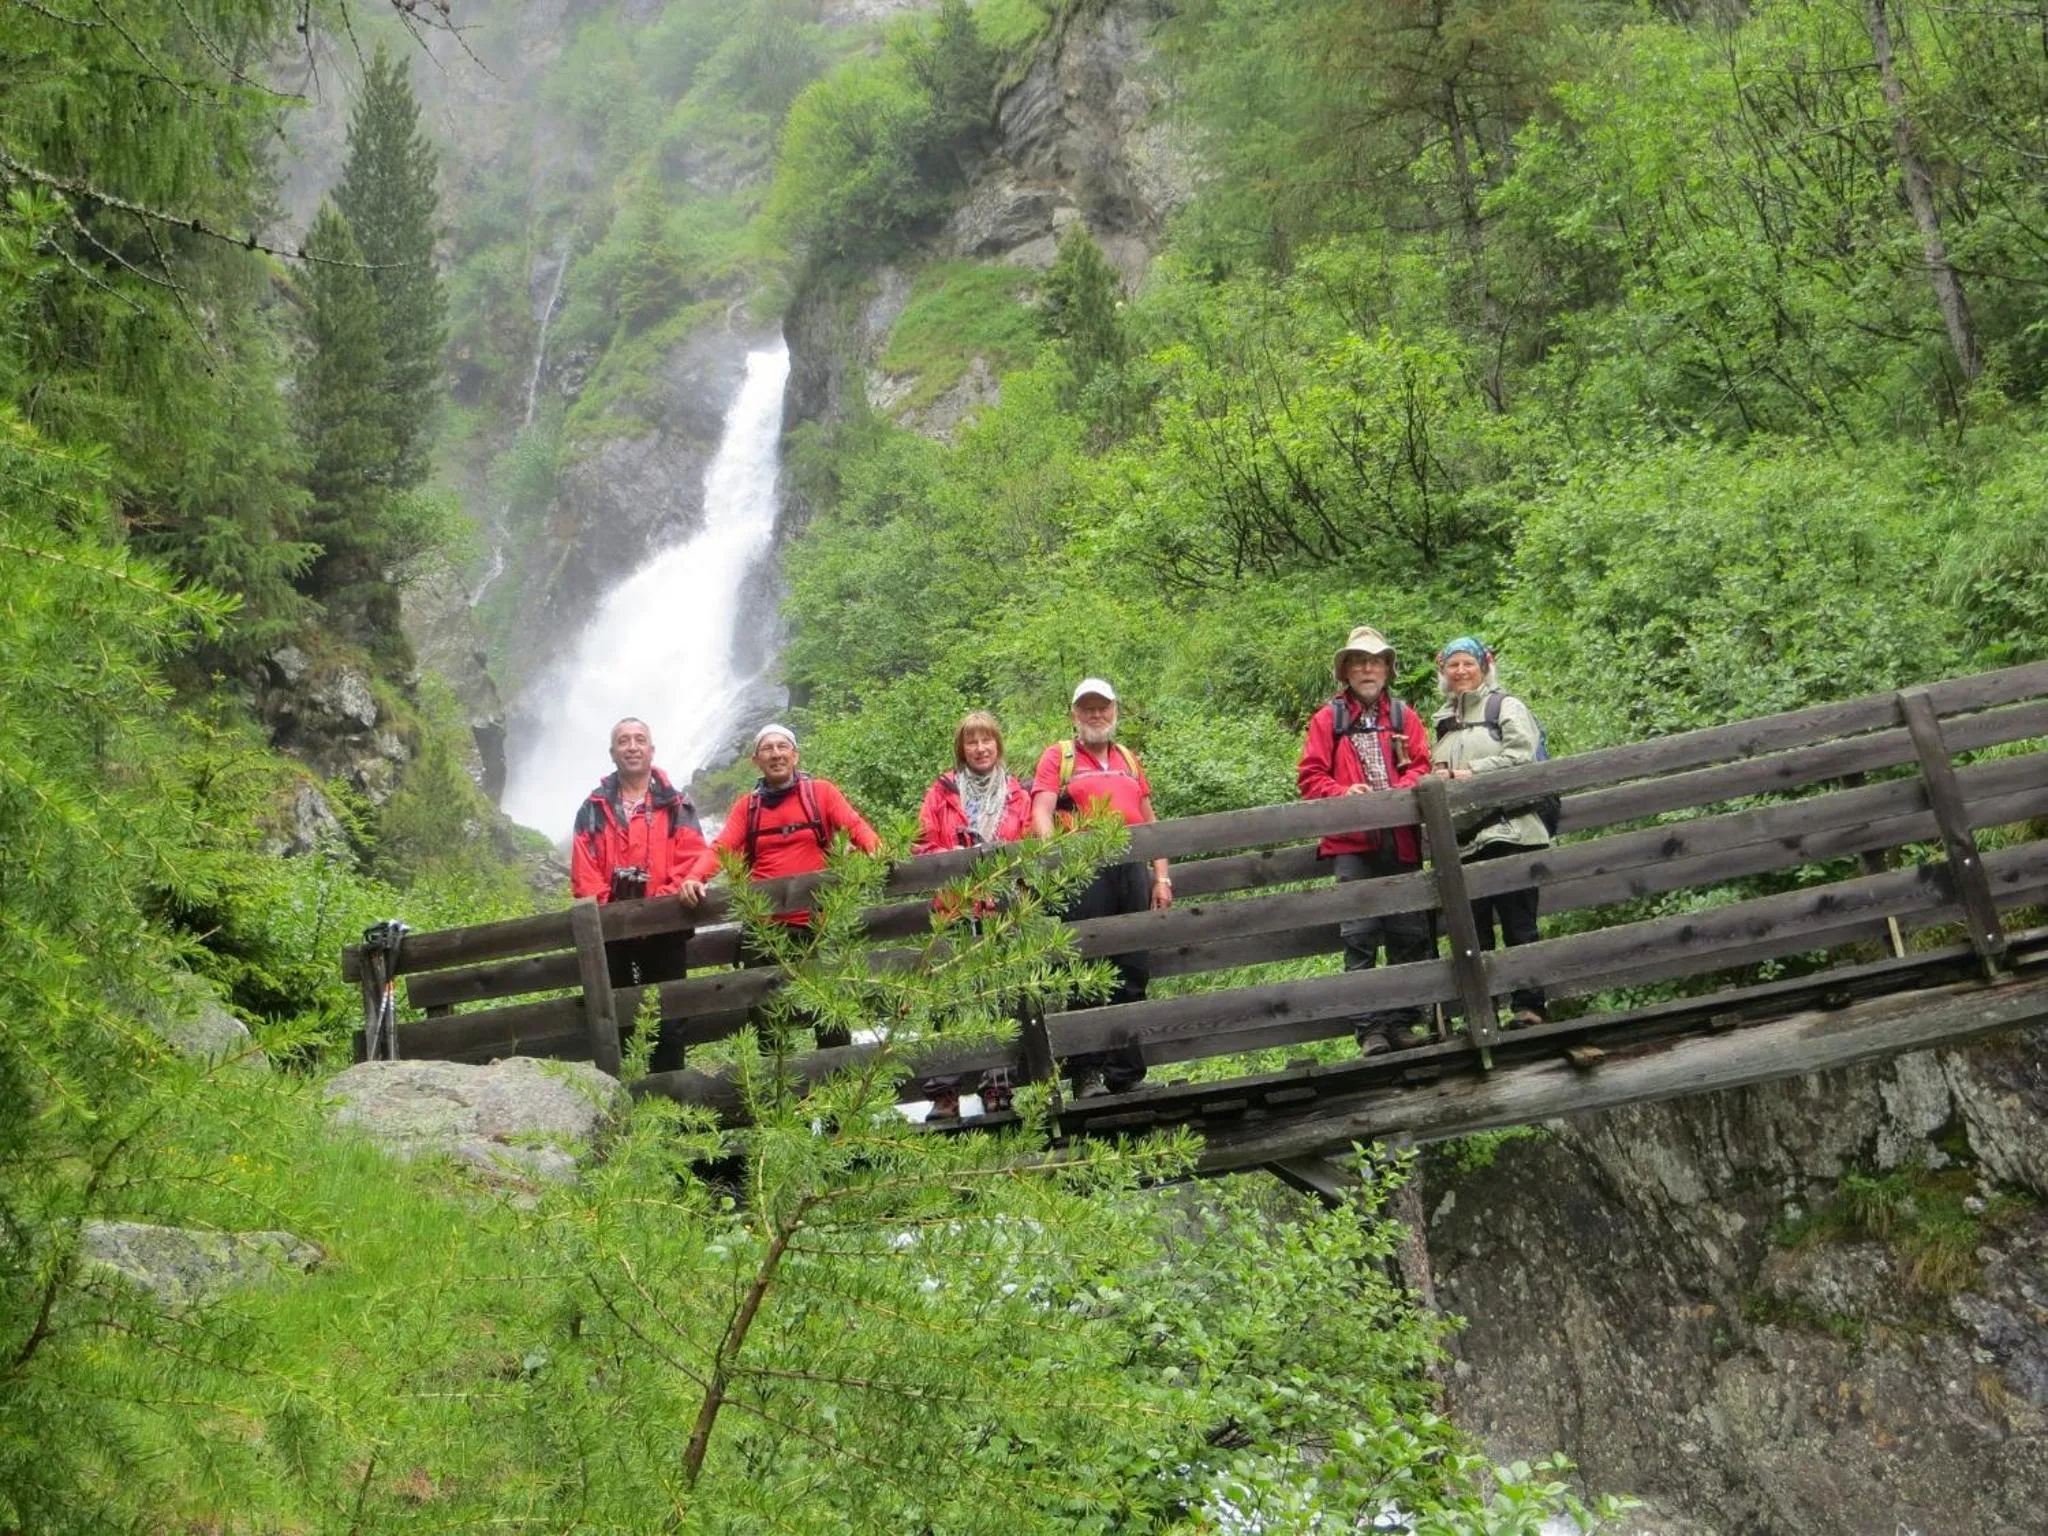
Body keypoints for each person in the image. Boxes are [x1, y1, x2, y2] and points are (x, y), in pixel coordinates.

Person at [1297, 626, 1435, 1057]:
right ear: (1346, 671)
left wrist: (1401, 790)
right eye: (1359, 662)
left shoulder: (1404, 716)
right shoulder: (1328, 719)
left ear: (1387, 669)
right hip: (1352, 843)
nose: (1368, 669)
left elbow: (1423, 767)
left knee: (1408, 931)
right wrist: (1343, 794)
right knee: (1358, 935)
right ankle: (1370, 1030)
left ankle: (1402, 1023)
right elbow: (1310, 777)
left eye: (1375, 662)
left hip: (1401, 838)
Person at [1030, 678, 1171, 1098]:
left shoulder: (1128, 758)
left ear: (1114, 711)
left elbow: (1150, 820)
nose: (1096, 714)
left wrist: (1161, 876)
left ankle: (1126, 1074)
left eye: (1103, 707)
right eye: (1087, 708)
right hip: (1084, 868)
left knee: (1133, 969)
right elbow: (1041, 811)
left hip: (1131, 869)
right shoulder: (1059, 757)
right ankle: (1086, 1075)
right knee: (1085, 972)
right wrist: (1058, 862)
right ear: (1074, 714)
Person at [712, 723, 881, 1049]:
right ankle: (780, 1079)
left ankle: (838, 1074)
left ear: (795, 755)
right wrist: (693, 878)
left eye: (782, 747)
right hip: (765, 930)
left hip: (817, 924)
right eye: (767, 748)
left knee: (830, 1013)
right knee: (767, 1018)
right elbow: (721, 848)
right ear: (755, 761)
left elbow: (856, 826)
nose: (776, 754)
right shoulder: (747, 807)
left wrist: (876, 849)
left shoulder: (821, 793)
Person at [569, 717, 718, 1070]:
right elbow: (584, 872)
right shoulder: (592, 809)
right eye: (624, 741)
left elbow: (692, 858)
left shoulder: (677, 804)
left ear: (652, 750)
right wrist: (613, 910)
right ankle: (622, 1093)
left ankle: (670, 1092)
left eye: (639, 740)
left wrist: (655, 908)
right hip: (611, 931)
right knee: (615, 1015)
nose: (632, 746)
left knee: (669, 1017)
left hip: (666, 928)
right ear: (612, 752)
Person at [912, 710, 1034, 1122]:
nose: (980, 748)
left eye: (987, 740)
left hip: (1001, 909)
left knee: (999, 995)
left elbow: (1029, 846)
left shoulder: (1017, 793)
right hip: (955, 907)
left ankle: (997, 1084)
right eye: (971, 742)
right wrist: (955, 861)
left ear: (998, 744)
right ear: (961, 749)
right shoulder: (942, 792)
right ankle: (944, 1093)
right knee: (946, 1000)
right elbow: (921, 846)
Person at [1431, 638, 1550, 1027]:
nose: (1461, 671)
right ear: (1443, 671)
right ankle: (1486, 1015)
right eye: (1453, 665)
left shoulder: (1506, 706)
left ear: (1484, 665)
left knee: (1519, 925)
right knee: (1474, 934)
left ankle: (1530, 1007)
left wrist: (1469, 774)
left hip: (1511, 832)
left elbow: (1522, 757)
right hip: (1464, 844)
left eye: (1468, 663)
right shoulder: (1442, 721)